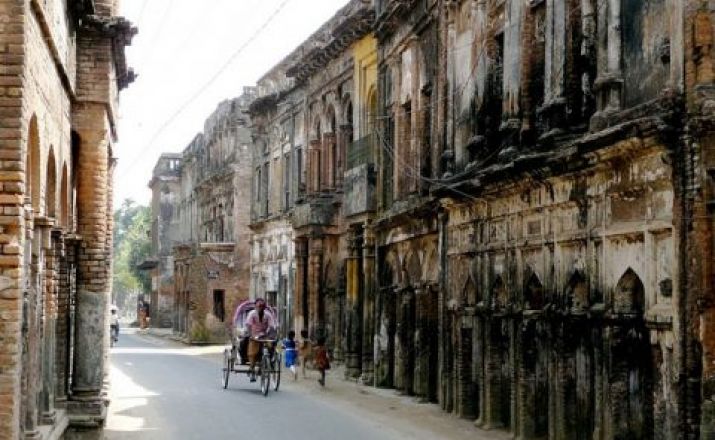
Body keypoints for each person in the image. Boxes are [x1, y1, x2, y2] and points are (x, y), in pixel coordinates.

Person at [243, 298, 276, 382]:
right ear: (256, 306)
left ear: (264, 307)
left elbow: (272, 326)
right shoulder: (252, 314)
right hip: (254, 336)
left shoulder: (268, 315)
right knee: (252, 352)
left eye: (262, 306)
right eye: (259, 306)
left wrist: (271, 335)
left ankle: (270, 361)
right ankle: (252, 368)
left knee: (271, 345)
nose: (260, 308)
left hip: (264, 335)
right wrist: (250, 335)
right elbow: (248, 325)